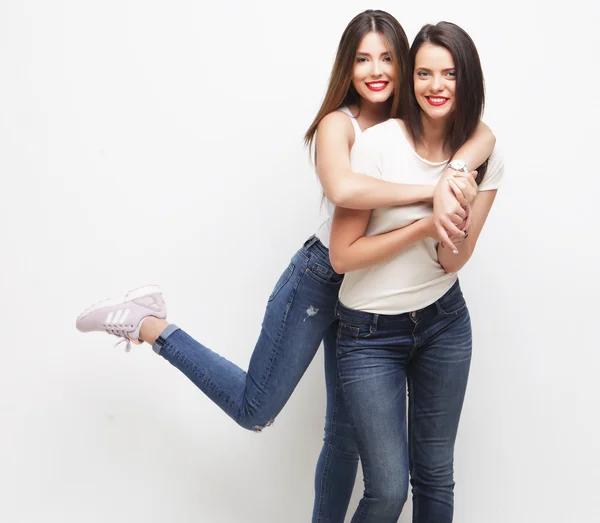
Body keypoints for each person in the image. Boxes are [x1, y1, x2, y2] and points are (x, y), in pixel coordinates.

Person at [75, 11, 494, 523]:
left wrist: (454, 170)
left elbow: (483, 138)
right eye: (363, 59)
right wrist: (435, 195)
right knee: (257, 408)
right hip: (321, 279)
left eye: (388, 58)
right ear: (347, 66)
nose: (377, 70)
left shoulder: (411, 122)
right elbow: (343, 190)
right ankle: (150, 324)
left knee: (344, 441)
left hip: (370, 302)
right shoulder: (338, 125)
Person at [329, 21, 504, 523]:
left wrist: (459, 200)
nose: (436, 85)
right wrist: (426, 221)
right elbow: (343, 255)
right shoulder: (379, 144)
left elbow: (452, 260)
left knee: (435, 478)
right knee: (386, 491)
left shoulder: (483, 155)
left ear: (467, 79)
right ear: (412, 82)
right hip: (369, 332)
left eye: (449, 73)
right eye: (424, 73)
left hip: (443, 324)